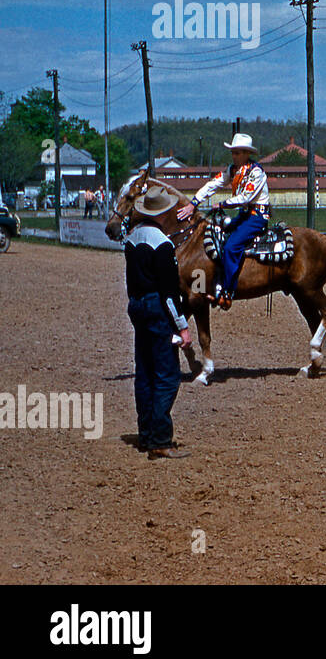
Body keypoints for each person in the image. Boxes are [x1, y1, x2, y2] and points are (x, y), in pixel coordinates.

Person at [124, 185, 193, 459]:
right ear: (164, 214)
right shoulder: (163, 245)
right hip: (156, 307)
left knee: (145, 371)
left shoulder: (132, 239)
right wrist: (183, 327)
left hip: (137, 305)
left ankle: (145, 434)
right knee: (167, 375)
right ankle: (160, 440)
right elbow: (168, 293)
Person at [176, 132, 269, 309]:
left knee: (232, 246)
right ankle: (215, 281)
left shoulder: (257, 173)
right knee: (218, 236)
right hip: (244, 215)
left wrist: (223, 204)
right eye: (233, 152)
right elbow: (213, 184)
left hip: (257, 217)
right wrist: (193, 203)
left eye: (238, 152)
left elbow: (246, 197)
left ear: (247, 154)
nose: (234, 156)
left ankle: (228, 291)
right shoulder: (232, 170)